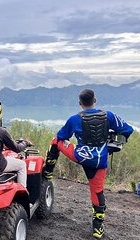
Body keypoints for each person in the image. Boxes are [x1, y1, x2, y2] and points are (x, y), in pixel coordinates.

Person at [42, 89, 134, 239]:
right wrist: (111, 141)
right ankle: (98, 228)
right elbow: (128, 130)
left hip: (80, 156)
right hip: (99, 161)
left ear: (80, 103)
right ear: (95, 100)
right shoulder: (109, 116)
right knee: (97, 192)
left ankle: (48, 172)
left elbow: (61, 136)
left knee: (56, 141)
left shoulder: (74, 119)